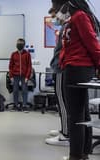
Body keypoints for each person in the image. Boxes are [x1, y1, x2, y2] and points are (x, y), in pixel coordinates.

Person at [50, 0, 100, 160]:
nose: (56, 10)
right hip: (75, 67)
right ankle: (83, 153)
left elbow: (93, 44)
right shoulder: (74, 18)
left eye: (57, 5)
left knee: (75, 116)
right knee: (82, 113)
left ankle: (76, 156)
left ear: (67, 3)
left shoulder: (80, 17)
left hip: (77, 68)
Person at [45, 8, 69, 147]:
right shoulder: (64, 28)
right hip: (58, 67)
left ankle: (65, 135)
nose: (54, 19)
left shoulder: (68, 26)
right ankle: (64, 129)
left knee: (62, 102)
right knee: (62, 103)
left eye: (54, 15)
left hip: (61, 68)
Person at [9, 38, 32, 112]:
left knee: (24, 90)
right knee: (15, 90)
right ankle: (15, 105)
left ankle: (24, 106)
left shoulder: (27, 54)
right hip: (15, 75)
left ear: (23, 45)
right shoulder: (13, 54)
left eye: (21, 43)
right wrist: (11, 76)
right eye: (18, 43)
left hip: (24, 75)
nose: (19, 44)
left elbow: (29, 66)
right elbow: (10, 66)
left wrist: (27, 76)